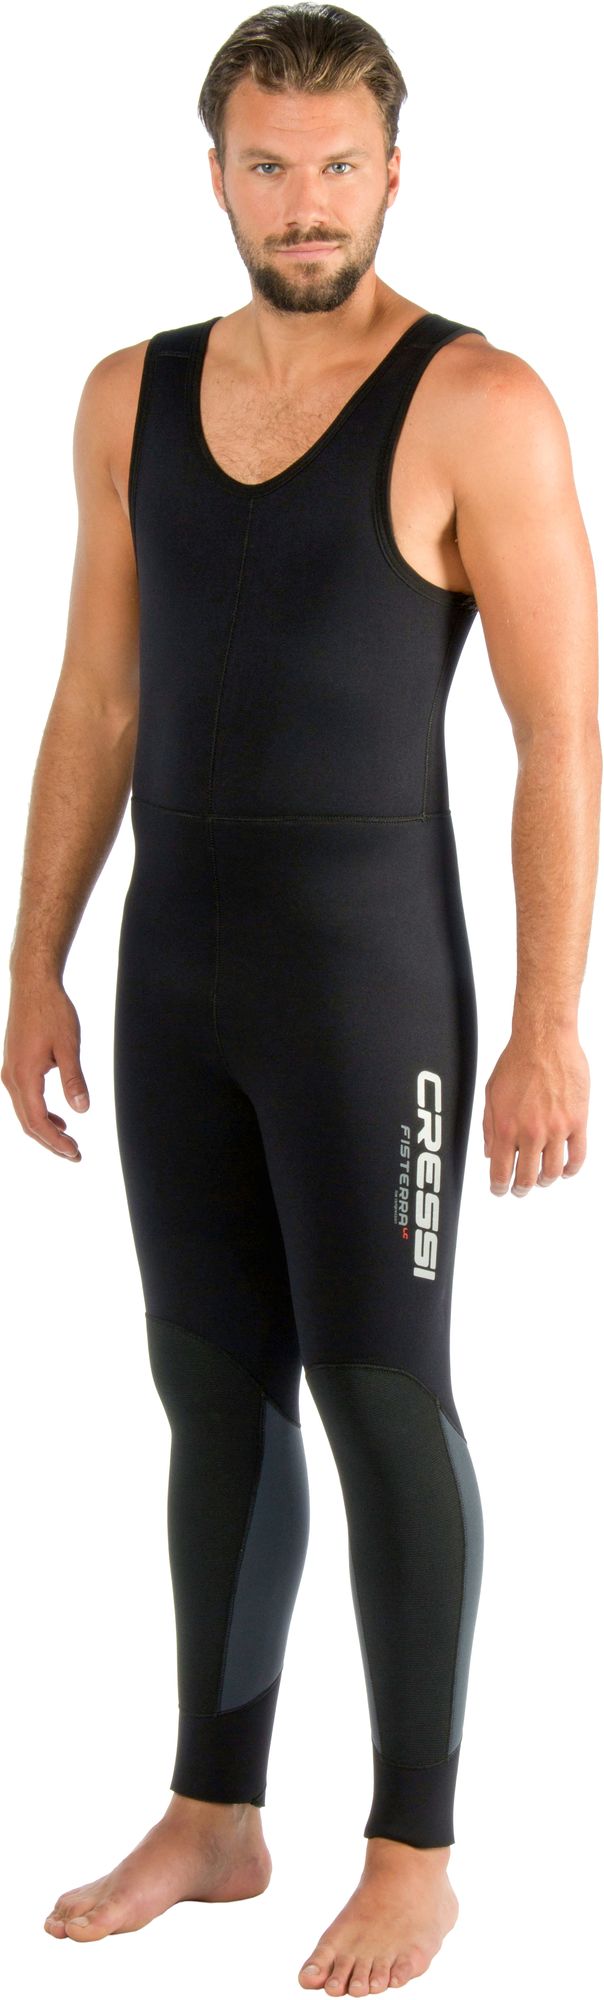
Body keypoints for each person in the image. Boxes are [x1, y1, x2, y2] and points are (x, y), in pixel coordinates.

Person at [3, 5, 599, 1991]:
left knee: (381, 1392)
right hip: (174, 981)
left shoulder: (479, 401)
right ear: (216, 176)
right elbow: (97, 700)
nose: (306, 202)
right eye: (268, 165)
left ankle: (415, 1848)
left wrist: (544, 1021)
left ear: (394, 172)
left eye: (339, 164)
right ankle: (215, 1810)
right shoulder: (129, 395)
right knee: (208, 1389)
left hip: (374, 999)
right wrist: (34, 961)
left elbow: (559, 732)